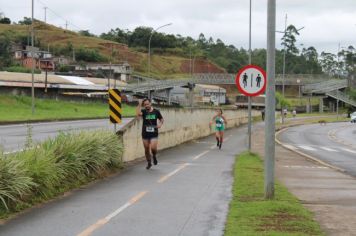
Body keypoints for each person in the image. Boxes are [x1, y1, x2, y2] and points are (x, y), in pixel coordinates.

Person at [136, 98, 164, 169]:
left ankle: (154, 156)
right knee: (146, 149)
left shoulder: (156, 111)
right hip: (145, 133)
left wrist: (160, 124)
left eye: (147, 104)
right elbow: (138, 114)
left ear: (150, 103)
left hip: (154, 133)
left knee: (153, 148)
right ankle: (149, 162)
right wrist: (139, 104)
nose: (146, 106)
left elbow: (161, 119)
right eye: (145, 105)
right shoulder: (144, 111)